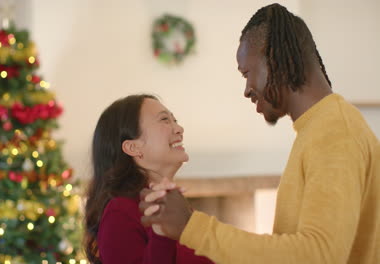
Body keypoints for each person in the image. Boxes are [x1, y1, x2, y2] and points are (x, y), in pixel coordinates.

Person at [139, 3, 380, 264]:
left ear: (277, 60)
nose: (246, 90)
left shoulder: (335, 131)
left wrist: (192, 226)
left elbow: (320, 254)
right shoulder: (320, 127)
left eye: (247, 73)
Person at [83, 94, 213, 264]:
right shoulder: (119, 213)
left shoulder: (172, 205)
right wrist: (162, 235)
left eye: (174, 120)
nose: (179, 128)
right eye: (165, 120)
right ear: (133, 147)